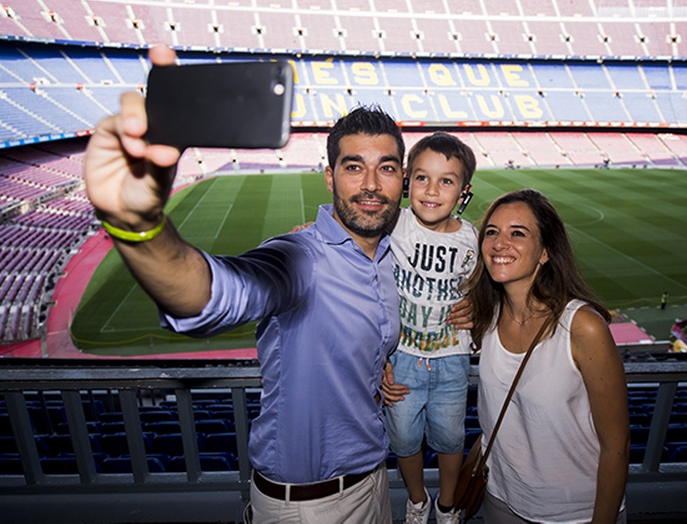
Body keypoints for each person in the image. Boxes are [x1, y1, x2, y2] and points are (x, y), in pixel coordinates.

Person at [84, 44, 406, 523]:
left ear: (401, 178)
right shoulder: (300, 258)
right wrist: (139, 227)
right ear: (329, 177)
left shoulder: (386, 259)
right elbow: (210, 295)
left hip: (375, 482)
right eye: (354, 166)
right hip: (308, 507)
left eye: (387, 167)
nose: (372, 184)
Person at [462, 189, 630, 523]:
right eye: (492, 232)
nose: (499, 243)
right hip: (500, 499)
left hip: (573, 514)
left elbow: (617, 445)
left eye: (518, 234)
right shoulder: (487, 316)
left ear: (545, 252)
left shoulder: (582, 327)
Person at [382, 132, 478, 524]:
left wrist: (477, 307)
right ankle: (419, 500)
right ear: (406, 181)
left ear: (463, 191)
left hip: (452, 359)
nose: (432, 190)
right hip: (402, 358)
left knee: (452, 440)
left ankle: (448, 503)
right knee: (404, 440)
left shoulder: (472, 240)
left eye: (446, 181)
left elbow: (485, 296)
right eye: (422, 178)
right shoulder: (394, 223)